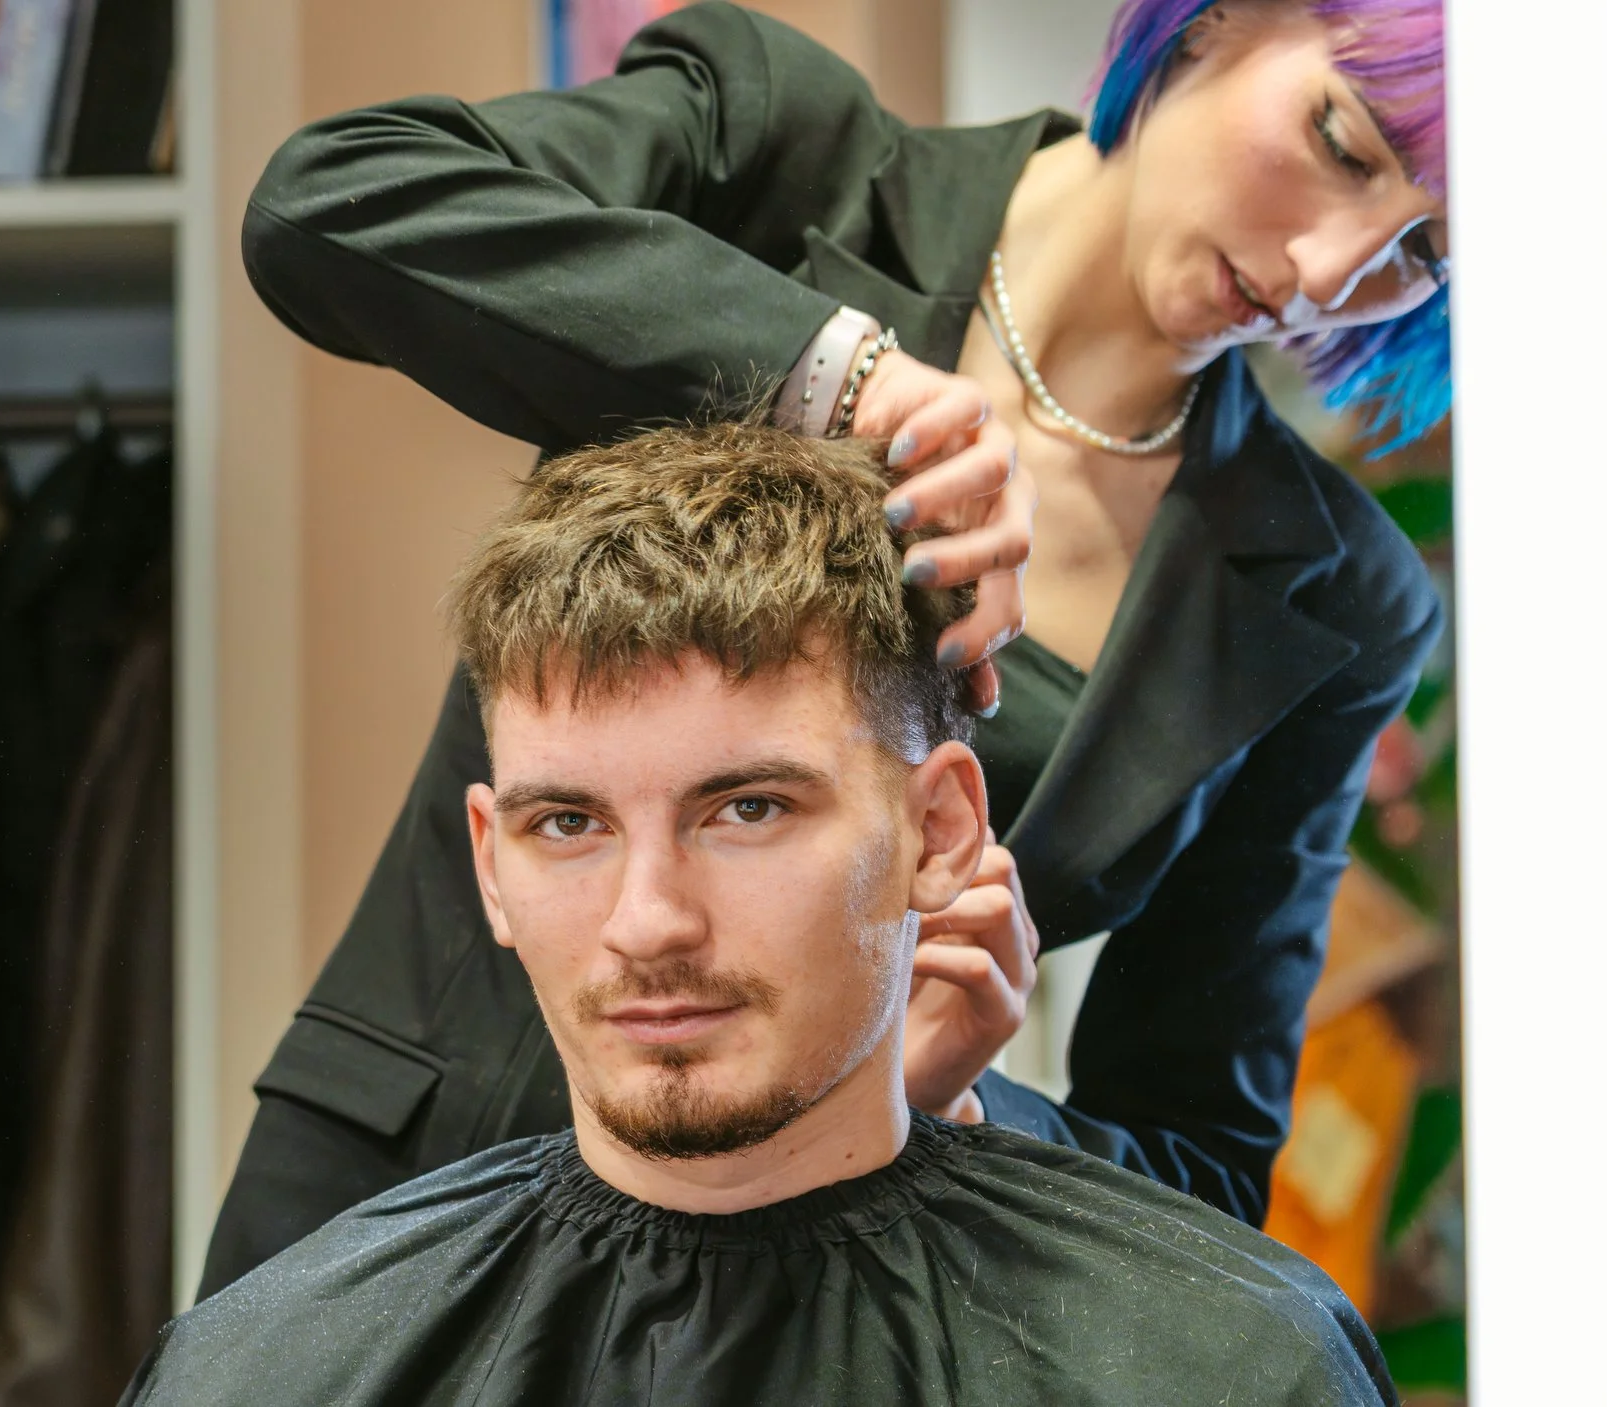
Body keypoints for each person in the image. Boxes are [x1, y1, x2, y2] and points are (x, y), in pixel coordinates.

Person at [205, 0, 1448, 1292]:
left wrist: (950, 1105)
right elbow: (325, 205)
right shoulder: (780, 155)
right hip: (402, 1200)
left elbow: (1197, 1160)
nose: (1330, 271)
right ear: (1218, 22)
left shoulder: (1336, 595)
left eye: (1425, 251)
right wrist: (831, 377)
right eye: (1344, 143)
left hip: (823, 1293)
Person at [127, 425, 1394, 1405]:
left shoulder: (1229, 1365)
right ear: (489, 863)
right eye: (567, 825)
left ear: (940, 830)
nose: (647, 922)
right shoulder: (267, 1367)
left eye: (744, 811)